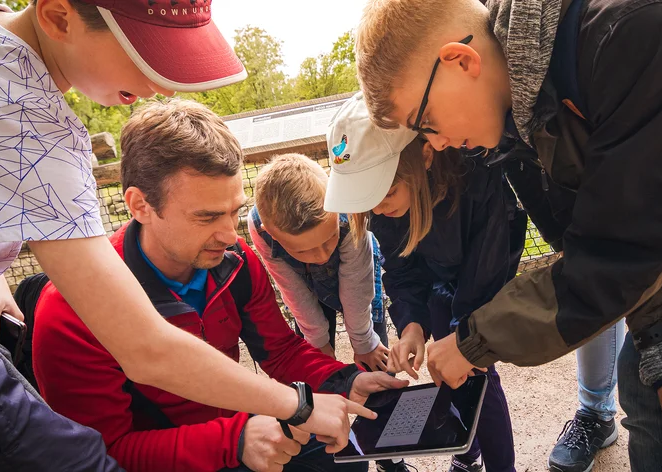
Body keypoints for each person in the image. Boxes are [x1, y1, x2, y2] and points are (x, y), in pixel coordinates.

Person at [354, 0, 662, 471]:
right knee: (652, 391)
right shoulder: (520, 126)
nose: (437, 143)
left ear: (460, 61)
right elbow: (605, 238)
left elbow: (616, 251)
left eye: (426, 122)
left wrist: (471, 342)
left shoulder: (634, 27)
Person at [0, 0, 369, 468]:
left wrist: (342, 381)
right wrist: (288, 412)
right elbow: (145, 353)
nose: (159, 85)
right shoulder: (16, 115)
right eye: (143, 52)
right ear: (58, 16)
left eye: (235, 213)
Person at [32, 98, 408, 472]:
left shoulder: (235, 263)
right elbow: (106, 452)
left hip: (236, 429)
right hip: (172, 453)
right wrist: (235, 441)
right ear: (140, 205)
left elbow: (278, 350)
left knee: (343, 452)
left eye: (235, 212)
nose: (230, 236)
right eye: (207, 217)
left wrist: (344, 381)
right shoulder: (69, 312)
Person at [498, 144, 662, 472]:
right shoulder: (507, 131)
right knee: (592, 281)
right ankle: (595, 414)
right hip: (582, 193)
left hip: (659, 189)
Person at [325, 93, 524, 472]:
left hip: (484, 271)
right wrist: (411, 325)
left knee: (474, 367)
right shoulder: (381, 204)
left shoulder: (475, 172)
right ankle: (468, 455)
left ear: (426, 156)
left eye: (386, 193)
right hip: (436, 274)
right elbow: (401, 270)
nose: (378, 207)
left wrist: (465, 336)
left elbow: (488, 265)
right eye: (368, 200)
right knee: (441, 360)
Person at [249, 154, 414, 472]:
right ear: (271, 231)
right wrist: (317, 346)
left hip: (359, 278)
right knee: (312, 371)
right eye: (304, 249)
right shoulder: (261, 228)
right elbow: (292, 289)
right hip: (305, 288)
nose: (320, 255)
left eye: (327, 241)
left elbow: (356, 285)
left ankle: (390, 457)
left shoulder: (348, 206)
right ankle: (331, 450)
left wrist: (363, 340)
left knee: (375, 365)